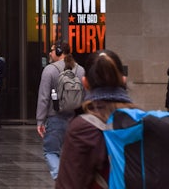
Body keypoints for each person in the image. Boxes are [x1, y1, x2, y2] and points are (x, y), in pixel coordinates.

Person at [55, 49, 134, 188]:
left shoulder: (83, 128)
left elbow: (68, 184)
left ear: (85, 83)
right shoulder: (143, 121)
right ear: (124, 80)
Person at [36, 42, 85, 180]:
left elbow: (44, 97)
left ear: (59, 52)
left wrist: (40, 120)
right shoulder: (80, 70)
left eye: (51, 51)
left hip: (55, 118)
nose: (50, 54)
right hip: (75, 119)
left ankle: (60, 179)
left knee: (51, 152)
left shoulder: (50, 70)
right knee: (73, 153)